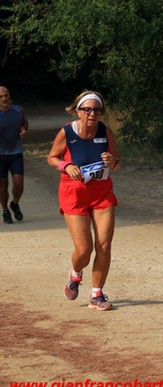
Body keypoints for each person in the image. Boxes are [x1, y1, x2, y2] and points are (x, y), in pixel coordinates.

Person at [47, 90, 122, 311]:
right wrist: (66, 166)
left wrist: (112, 160)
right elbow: (52, 157)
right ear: (78, 110)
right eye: (87, 109)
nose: (91, 114)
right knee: (84, 250)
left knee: (104, 245)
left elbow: (117, 164)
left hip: (101, 194)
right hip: (74, 193)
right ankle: (75, 274)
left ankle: (97, 295)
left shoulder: (106, 132)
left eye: (96, 110)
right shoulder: (67, 132)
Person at [0, 86, 28, 224]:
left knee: (19, 184)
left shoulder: (18, 111)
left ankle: (14, 203)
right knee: (2, 185)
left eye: (6, 95)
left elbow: (24, 124)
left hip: (16, 152)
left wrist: (23, 130)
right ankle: (5, 211)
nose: (4, 99)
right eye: (0, 97)